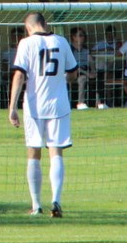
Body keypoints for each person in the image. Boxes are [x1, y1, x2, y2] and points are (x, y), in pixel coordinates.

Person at [9, 12, 78, 218]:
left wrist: (12, 107)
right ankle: (56, 200)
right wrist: (62, 79)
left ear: (28, 27)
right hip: (58, 105)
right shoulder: (61, 41)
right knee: (56, 152)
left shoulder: (26, 43)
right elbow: (73, 73)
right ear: (45, 24)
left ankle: (36, 205)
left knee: (34, 152)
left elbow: (19, 75)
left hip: (34, 106)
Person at [69, 27, 98, 110]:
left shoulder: (86, 49)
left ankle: (99, 103)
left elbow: (91, 61)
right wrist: (87, 73)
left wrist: (93, 71)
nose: (83, 38)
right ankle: (80, 103)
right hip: (74, 72)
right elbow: (73, 66)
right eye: (80, 35)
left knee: (99, 77)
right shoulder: (70, 50)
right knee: (82, 79)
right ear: (74, 37)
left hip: (86, 70)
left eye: (83, 35)